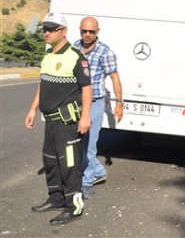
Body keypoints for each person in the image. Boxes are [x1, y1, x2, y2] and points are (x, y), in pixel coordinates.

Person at [25, 12, 92, 225]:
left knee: (69, 166)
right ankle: (56, 198)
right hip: (50, 121)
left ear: (63, 31)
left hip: (67, 123)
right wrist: (32, 109)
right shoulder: (48, 56)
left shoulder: (76, 57)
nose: (46, 33)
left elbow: (87, 89)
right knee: (51, 162)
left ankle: (74, 207)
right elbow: (43, 84)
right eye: (44, 28)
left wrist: (85, 117)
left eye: (51, 29)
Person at [74, 16, 123, 199]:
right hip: (76, 103)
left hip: (95, 103)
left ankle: (86, 183)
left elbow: (115, 78)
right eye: (84, 31)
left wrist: (119, 103)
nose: (87, 35)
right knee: (77, 144)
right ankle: (99, 171)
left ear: (97, 32)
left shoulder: (105, 52)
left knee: (88, 145)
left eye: (91, 31)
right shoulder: (74, 48)